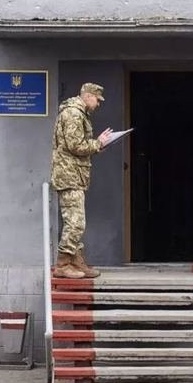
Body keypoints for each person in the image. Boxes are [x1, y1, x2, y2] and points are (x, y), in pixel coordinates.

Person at [50, 83, 113, 279]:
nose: (98, 104)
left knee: (76, 221)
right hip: (69, 175)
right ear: (87, 96)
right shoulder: (74, 114)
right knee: (75, 222)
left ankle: (76, 261)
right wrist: (98, 143)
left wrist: (96, 146)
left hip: (74, 175)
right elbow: (75, 145)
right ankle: (63, 264)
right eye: (97, 99)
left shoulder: (78, 113)